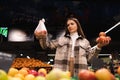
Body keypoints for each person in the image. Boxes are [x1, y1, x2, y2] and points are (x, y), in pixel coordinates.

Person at [34, 17, 111, 76]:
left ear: (77, 25)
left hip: (80, 71)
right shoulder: (61, 39)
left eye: (72, 24)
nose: (69, 26)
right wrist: (43, 37)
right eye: (68, 25)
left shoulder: (85, 41)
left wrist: (99, 46)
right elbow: (46, 46)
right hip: (61, 72)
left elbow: (90, 59)